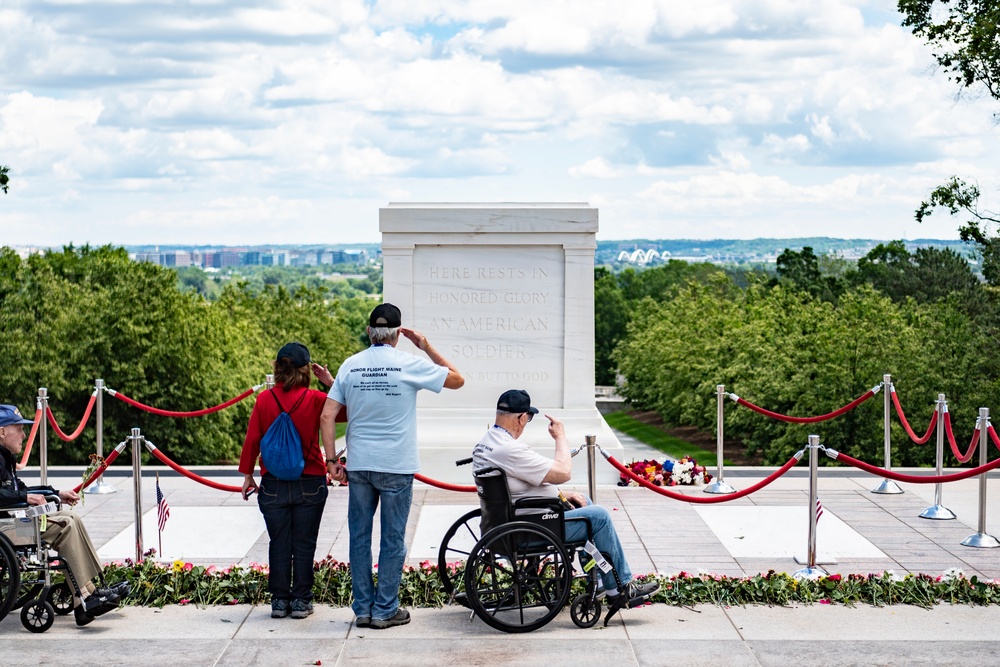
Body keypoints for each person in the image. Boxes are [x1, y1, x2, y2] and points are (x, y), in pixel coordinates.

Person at [320, 303, 464, 630]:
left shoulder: (351, 365)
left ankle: (362, 609)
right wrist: (425, 346)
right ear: (398, 334)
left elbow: (327, 415)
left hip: (359, 464)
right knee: (392, 539)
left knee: (359, 537)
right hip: (396, 465)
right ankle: (385, 609)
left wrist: (331, 461)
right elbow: (458, 379)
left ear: (370, 331)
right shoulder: (408, 363)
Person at [472, 389, 659, 616]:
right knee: (599, 516)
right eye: (528, 418)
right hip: (533, 526)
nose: (527, 423)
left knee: (584, 502)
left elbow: (521, 483)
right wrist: (560, 436)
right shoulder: (510, 449)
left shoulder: (487, 442)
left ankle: (601, 580)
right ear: (522, 418)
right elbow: (563, 471)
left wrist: (560, 494)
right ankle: (619, 587)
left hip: (509, 519)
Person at [0, 404, 130, 627]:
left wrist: (54, 492)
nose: (24, 434)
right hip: (7, 527)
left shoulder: (5, 457)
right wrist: (25, 496)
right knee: (64, 525)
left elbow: (18, 487)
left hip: (11, 523)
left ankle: (92, 588)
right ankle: (83, 599)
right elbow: (11, 493)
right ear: (2, 431)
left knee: (72, 517)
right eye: (19, 428)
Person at [240, 342, 334, 620]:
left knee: (278, 541)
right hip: (311, 480)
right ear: (307, 370)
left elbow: (252, 439)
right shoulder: (316, 399)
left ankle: (280, 601)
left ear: (278, 369)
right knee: (304, 543)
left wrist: (247, 475)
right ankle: (302, 602)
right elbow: (344, 413)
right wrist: (329, 383)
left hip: (273, 483)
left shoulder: (264, 400)